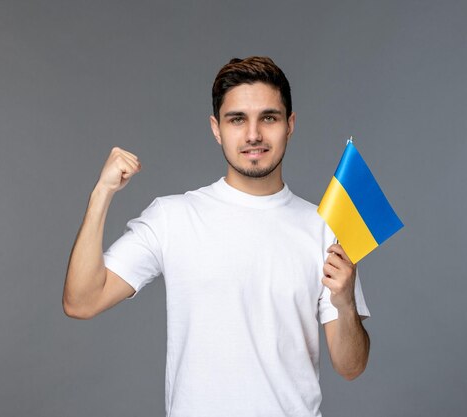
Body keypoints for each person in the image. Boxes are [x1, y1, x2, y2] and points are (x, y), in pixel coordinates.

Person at [63, 56, 371, 417]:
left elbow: (351, 367)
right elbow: (82, 302)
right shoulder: (173, 217)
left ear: (290, 125)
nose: (253, 134)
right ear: (216, 128)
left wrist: (346, 302)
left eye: (268, 118)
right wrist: (101, 192)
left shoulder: (324, 228)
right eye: (237, 119)